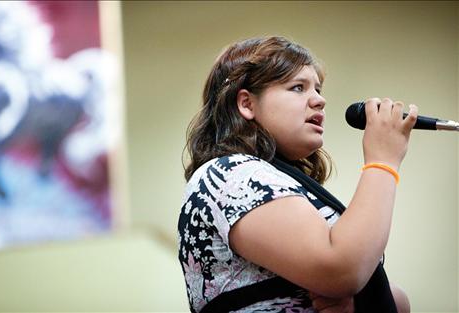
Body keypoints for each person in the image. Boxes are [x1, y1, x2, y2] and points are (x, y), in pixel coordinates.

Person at [178, 36, 415, 313]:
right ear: (247, 104)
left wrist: (360, 299)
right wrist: (382, 161)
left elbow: (383, 293)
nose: (319, 100)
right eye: (298, 87)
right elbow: (339, 269)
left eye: (318, 88)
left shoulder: (280, 179)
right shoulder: (230, 173)